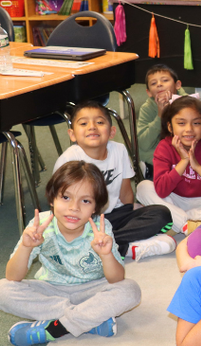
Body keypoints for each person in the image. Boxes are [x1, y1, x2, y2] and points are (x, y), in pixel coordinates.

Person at [0, 161, 141, 346]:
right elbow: (12, 276)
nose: (74, 208)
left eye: (85, 201)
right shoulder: (40, 225)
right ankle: (88, 321)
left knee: (130, 290)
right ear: (52, 199)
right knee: (1, 291)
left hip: (92, 290)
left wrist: (106, 255)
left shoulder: (102, 230)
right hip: (50, 290)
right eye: (66, 197)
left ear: (95, 208)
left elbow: (117, 278)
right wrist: (26, 246)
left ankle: (55, 329)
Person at [53, 101, 176, 262]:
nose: (92, 127)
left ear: (111, 132)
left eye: (99, 122)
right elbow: (61, 204)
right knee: (70, 234)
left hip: (113, 215)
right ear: (72, 134)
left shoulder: (119, 150)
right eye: (83, 123)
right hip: (83, 219)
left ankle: (107, 243)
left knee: (161, 214)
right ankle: (119, 245)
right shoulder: (69, 160)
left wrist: (132, 210)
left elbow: (125, 191)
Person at [135, 97, 201, 228]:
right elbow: (161, 190)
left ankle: (179, 223)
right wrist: (184, 161)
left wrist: (197, 167)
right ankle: (186, 224)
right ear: (170, 127)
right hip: (174, 200)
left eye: (196, 123)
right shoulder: (164, 146)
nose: (189, 129)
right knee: (143, 187)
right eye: (181, 123)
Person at [136, 64, 187, 177]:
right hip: (159, 154)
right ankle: (149, 170)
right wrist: (160, 116)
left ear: (177, 85)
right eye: (154, 83)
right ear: (149, 92)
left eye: (165, 80)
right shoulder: (147, 108)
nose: (159, 84)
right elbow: (143, 143)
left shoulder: (188, 102)